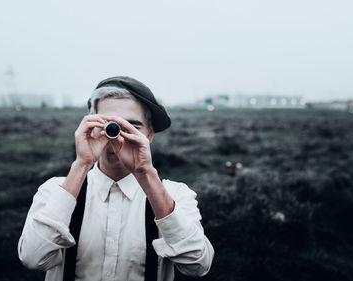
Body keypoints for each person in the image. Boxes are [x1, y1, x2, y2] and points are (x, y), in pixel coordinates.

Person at [18, 76, 214, 281]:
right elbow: (33, 257)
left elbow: (198, 264)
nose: (118, 136)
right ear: (91, 129)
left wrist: (145, 173)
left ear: (149, 136)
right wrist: (81, 164)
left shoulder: (176, 196)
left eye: (132, 127)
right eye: (109, 127)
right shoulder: (55, 190)